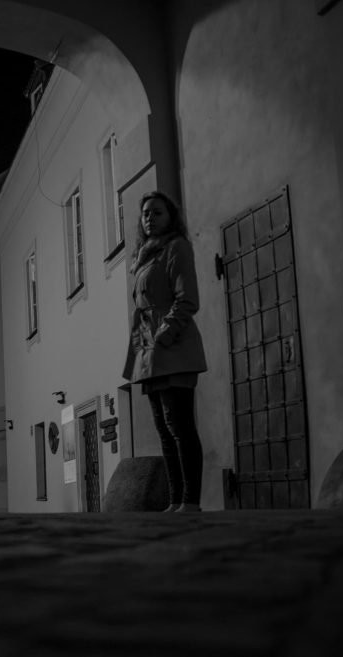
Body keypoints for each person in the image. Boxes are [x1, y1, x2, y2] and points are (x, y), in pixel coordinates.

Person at [123, 191, 207, 513]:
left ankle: (191, 501)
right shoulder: (143, 257)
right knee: (163, 429)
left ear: (170, 217)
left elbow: (187, 299)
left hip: (172, 347)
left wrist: (163, 336)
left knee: (180, 426)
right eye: (145, 213)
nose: (149, 217)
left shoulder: (176, 247)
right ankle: (174, 501)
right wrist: (146, 346)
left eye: (157, 212)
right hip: (148, 350)